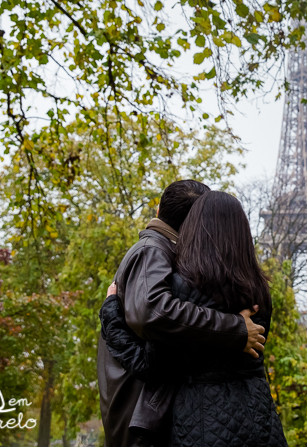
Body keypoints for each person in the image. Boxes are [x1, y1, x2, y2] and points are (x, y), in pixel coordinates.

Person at [100, 191, 288, 447]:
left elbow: (148, 366)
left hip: (202, 423)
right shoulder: (259, 292)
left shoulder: (182, 290)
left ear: (196, 227)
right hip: (260, 421)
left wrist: (112, 315)